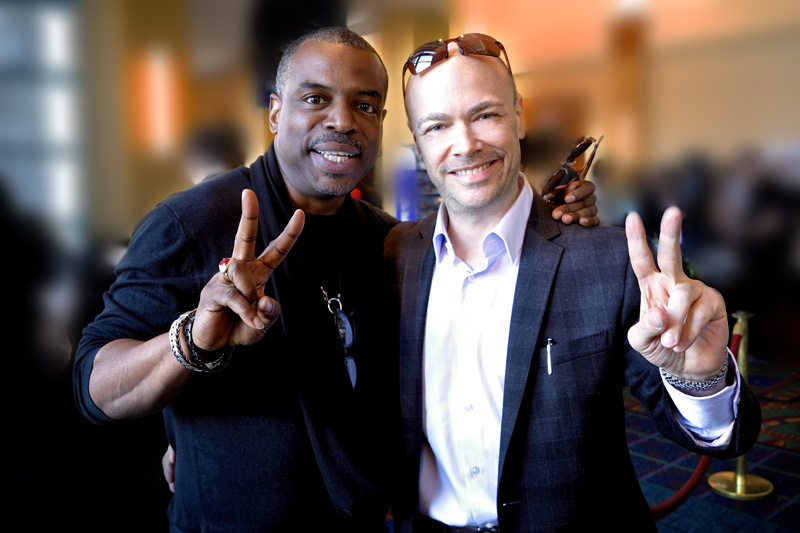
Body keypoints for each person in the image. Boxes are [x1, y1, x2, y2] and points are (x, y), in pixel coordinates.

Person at [74, 27, 598, 531]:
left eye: (365, 105)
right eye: (316, 98)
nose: (343, 121)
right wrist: (190, 341)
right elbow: (96, 390)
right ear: (276, 112)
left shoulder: (389, 240)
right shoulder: (192, 224)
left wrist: (548, 220)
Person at [385, 33, 761, 532]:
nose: (466, 144)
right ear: (417, 137)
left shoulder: (609, 261)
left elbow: (725, 437)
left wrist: (699, 379)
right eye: (437, 125)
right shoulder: (393, 257)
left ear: (519, 114)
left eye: (486, 115)